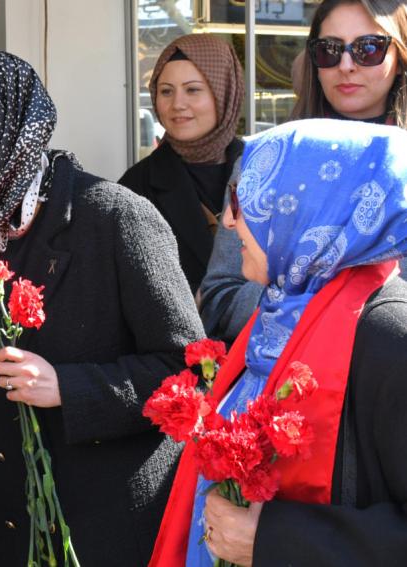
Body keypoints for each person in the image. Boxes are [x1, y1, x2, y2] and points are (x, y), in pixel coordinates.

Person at [0, 50, 205, 566]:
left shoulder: (115, 218)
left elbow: (188, 374)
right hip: (8, 525)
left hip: (109, 529)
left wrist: (70, 388)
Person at [149, 118, 407, 567]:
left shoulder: (390, 336)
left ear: (309, 207)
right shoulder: (281, 309)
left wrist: (275, 540)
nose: (229, 221)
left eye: (243, 200)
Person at [199, 0, 407, 341]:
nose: (346, 65)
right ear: (314, 60)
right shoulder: (266, 161)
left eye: (368, 48)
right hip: (280, 369)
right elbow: (218, 298)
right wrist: (309, 291)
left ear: (399, 57)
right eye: (329, 50)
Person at [119, 34, 244, 294]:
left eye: (192, 90)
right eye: (166, 91)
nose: (177, 104)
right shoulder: (135, 188)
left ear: (224, 92)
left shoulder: (266, 169)